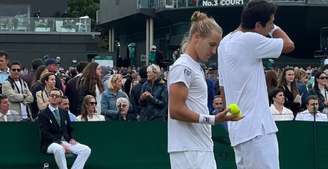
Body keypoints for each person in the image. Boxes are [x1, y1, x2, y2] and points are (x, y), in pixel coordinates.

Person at [218, 0, 295, 169]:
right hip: (257, 131)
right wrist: (275, 28)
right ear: (258, 25)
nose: (271, 28)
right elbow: (289, 45)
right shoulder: (250, 39)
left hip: (239, 131)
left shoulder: (224, 42)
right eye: (270, 23)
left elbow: (222, 87)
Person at [168, 11, 242, 169]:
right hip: (189, 149)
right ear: (196, 37)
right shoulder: (183, 66)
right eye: (212, 44)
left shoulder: (195, 67)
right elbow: (175, 110)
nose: (214, 51)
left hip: (198, 148)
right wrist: (213, 119)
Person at [38, 88, 91, 169]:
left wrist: (71, 138)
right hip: (50, 143)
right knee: (59, 149)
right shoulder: (43, 114)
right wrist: (60, 143)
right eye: (52, 95)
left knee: (86, 150)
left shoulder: (64, 112)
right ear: (49, 97)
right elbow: (45, 133)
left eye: (57, 96)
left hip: (65, 141)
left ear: (60, 98)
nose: (54, 97)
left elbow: (70, 128)